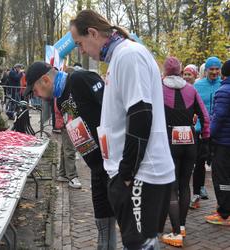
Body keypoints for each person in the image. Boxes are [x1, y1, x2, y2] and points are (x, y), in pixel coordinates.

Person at [70, 10, 175, 249]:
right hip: (134, 173)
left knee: (140, 244)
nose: (82, 51)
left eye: (80, 43)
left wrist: (126, 173)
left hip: (141, 174)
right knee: (142, 243)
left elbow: (140, 114)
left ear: (93, 33)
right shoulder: (121, 56)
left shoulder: (128, 55)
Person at [25, 62, 117, 250]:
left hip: (113, 167)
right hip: (98, 170)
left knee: (129, 225)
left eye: (34, 90)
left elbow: (115, 111)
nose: (35, 95)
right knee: (103, 221)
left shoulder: (79, 79)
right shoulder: (60, 98)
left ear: (45, 79)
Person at [161, 57, 210, 246]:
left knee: (171, 186)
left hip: (169, 140)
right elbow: (205, 116)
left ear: (165, 72)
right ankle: (181, 226)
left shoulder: (158, 88)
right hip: (190, 140)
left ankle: (175, 233)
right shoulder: (191, 89)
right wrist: (205, 138)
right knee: (184, 185)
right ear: (181, 71)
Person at [190, 56, 222, 209]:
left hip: (217, 132)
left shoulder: (223, 85)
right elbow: (191, 104)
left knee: (219, 167)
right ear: (206, 70)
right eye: (212, 69)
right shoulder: (198, 85)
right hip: (200, 131)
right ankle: (196, 195)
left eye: (217, 69)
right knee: (199, 163)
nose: (214, 72)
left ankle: (220, 202)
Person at [205, 60, 230, 225]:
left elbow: (218, 117)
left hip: (223, 142)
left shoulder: (224, 91)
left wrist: (208, 134)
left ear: (223, 72)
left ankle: (224, 214)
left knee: (222, 178)